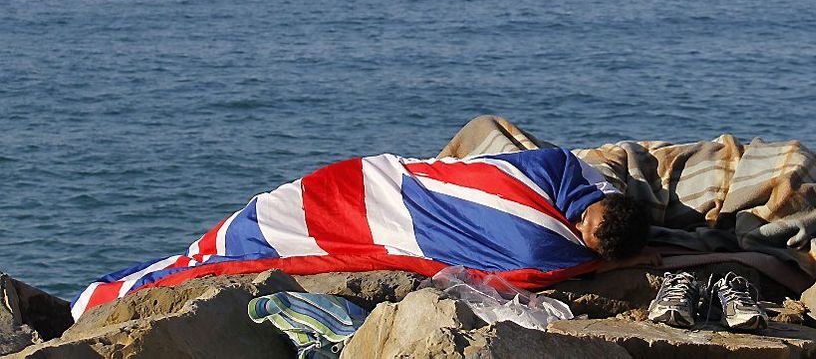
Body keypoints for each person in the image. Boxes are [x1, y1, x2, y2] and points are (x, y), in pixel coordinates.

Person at [70, 148, 651, 320]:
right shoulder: (560, 171)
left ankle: (122, 290)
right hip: (379, 184)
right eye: (591, 219)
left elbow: (514, 262)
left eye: (590, 235)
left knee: (251, 249)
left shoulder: (546, 246)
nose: (580, 228)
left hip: (392, 218)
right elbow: (484, 174)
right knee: (265, 218)